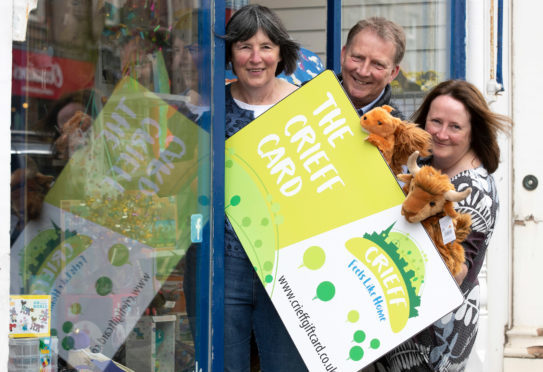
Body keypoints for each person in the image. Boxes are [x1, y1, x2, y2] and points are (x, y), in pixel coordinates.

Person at [374, 80, 511, 372]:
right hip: (405, 335)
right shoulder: (430, 171)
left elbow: (455, 274)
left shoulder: (471, 191)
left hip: (430, 349)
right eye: (435, 121)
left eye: (455, 127)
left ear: (474, 132)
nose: (441, 134)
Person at [223, 4, 307, 372]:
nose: (255, 58)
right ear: (230, 53)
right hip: (223, 262)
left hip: (290, 262)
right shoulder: (211, 105)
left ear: (281, 53)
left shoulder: (305, 106)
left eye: (266, 46)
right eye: (244, 46)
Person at [340, 17, 406, 118]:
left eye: (378, 64)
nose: (363, 72)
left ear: (392, 73)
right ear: (343, 55)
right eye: (358, 58)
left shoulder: (398, 132)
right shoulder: (308, 94)